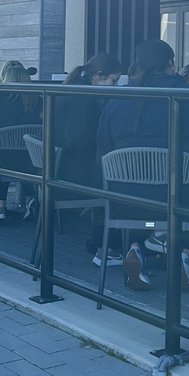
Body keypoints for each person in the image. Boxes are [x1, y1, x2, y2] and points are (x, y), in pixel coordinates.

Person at [96, 39, 189, 289]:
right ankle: (185, 253)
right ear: (171, 64)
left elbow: (102, 148)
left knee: (137, 186)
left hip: (125, 201)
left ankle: (135, 248)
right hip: (178, 199)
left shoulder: (118, 99)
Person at [58, 53, 123, 264]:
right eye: (113, 80)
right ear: (98, 75)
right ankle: (108, 246)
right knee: (118, 186)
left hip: (61, 167)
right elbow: (77, 138)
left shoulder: (73, 89)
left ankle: (109, 244)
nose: (115, 86)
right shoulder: (84, 97)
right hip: (77, 171)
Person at [0, 60, 42, 221]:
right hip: (32, 159)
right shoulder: (38, 98)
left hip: (4, 160)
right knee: (14, 158)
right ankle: (31, 199)